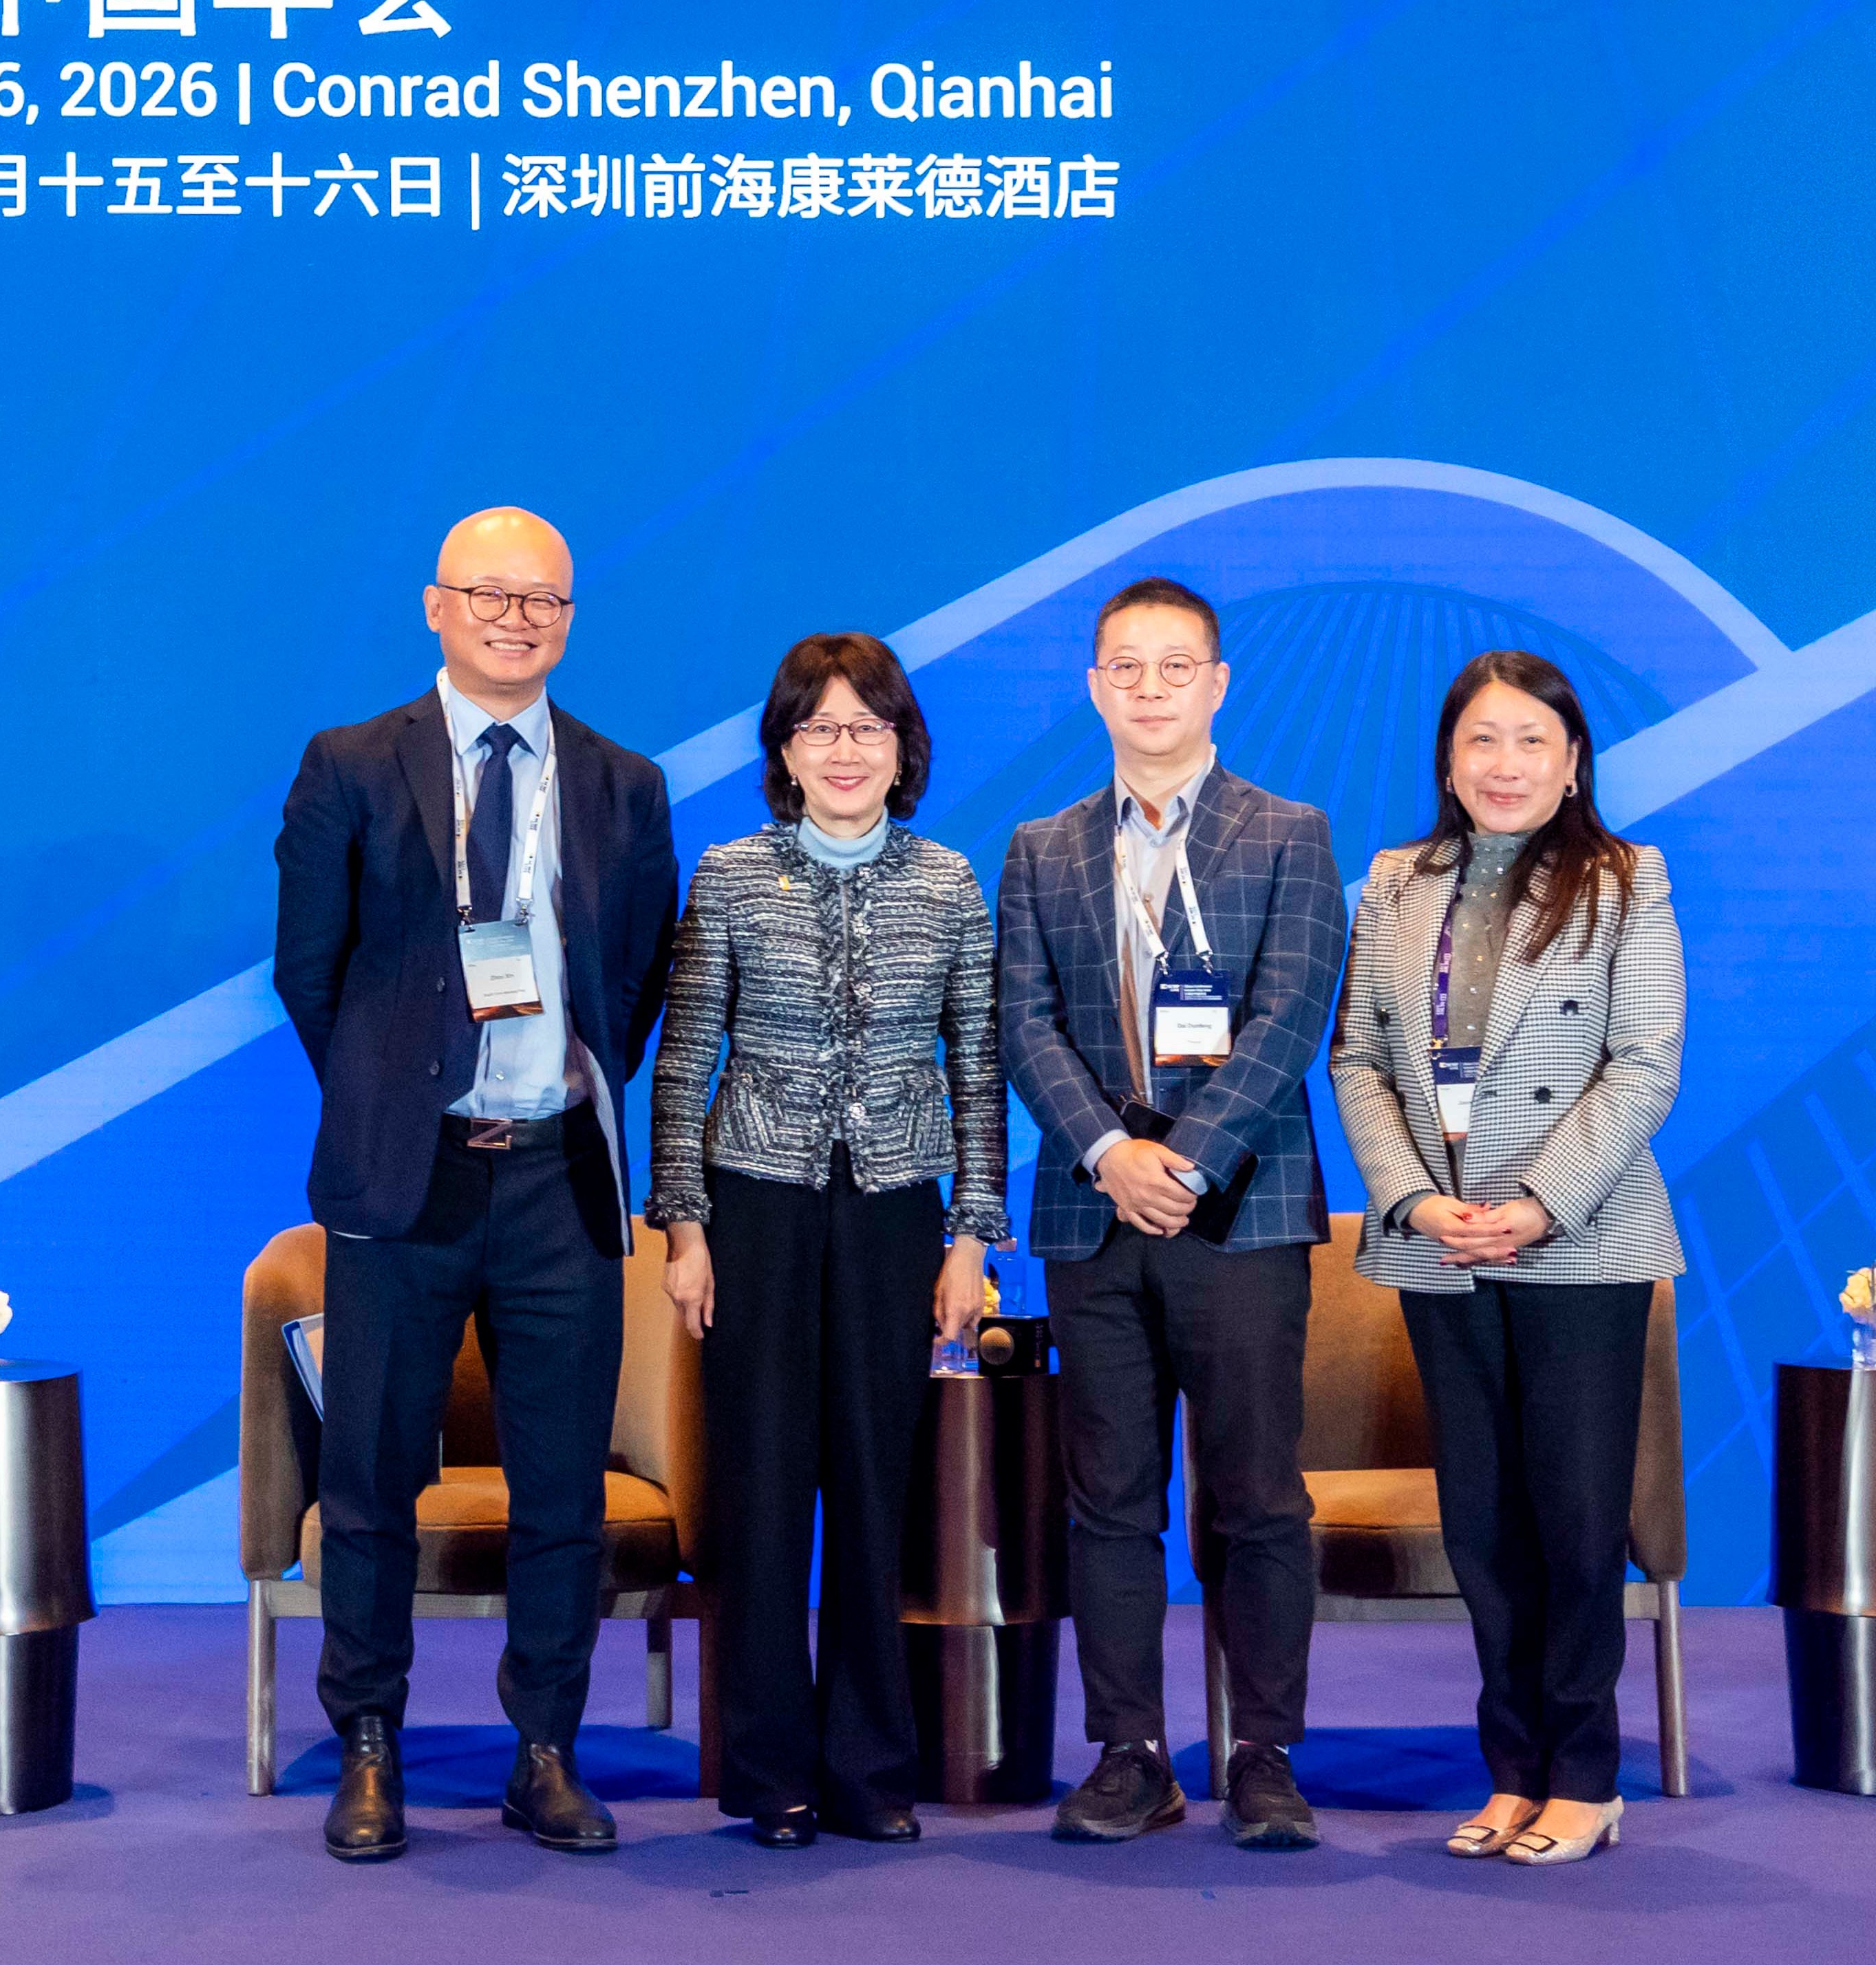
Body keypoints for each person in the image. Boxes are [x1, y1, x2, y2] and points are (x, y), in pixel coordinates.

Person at [272, 506, 680, 1863]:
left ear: (569, 621)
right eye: (491, 595)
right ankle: (367, 1745)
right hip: (408, 1181)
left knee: (562, 1492)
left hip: (560, 1180)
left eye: (543, 601)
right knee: (371, 1481)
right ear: (436, 606)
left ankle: (544, 1751)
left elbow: (638, 975)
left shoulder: (624, 783)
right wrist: (392, 1094)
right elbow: (309, 969)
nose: (517, 620)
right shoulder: (349, 763)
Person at [997, 576, 1347, 1851]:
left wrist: (1183, 1163)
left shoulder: (1289, 832)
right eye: (1126, 668)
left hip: (1240, 1210)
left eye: (1175, 667)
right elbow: (1022, 1020)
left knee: (1255, 1497)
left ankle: (1263, 1753)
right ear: (1095, 688)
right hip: (1094, 1215)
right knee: (1109, 1501)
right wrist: (1108, 1153)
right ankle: (1130, 1754)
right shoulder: (1042, 847)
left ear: (1218, 684)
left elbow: (1292, 1016)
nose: (1150, 689)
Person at [647, 632, 1010, 1849]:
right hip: (753, 1206)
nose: (844, 750)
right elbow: (684, 1061)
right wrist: (685, 1225)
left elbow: (979, 1071)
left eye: (868, 728)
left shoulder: (948, 882)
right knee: (759, 1492)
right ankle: (772, 1773)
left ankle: (869, 1768)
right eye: (819, 729)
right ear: (785, 752)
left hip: (896, 1210)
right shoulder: (731, 874)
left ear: (903, 750)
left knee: (872, 1487)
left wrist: (970, 1239)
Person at [1329, 649, 1685, 1867]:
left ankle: (1586, 1779)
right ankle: (1512, 1771)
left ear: (1573, 761)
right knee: (1482, 1528)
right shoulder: (1396, 883)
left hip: (1579, 1241)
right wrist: (1414, 1199)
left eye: (1533, 740)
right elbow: (1359, 1061)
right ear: (1448, 759)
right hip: (1442, 1242)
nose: (1506, 763)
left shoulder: (1628, 880)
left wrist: (1538, 1202)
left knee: (1575, 1524)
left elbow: (1645, 1065)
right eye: (1482, 738)